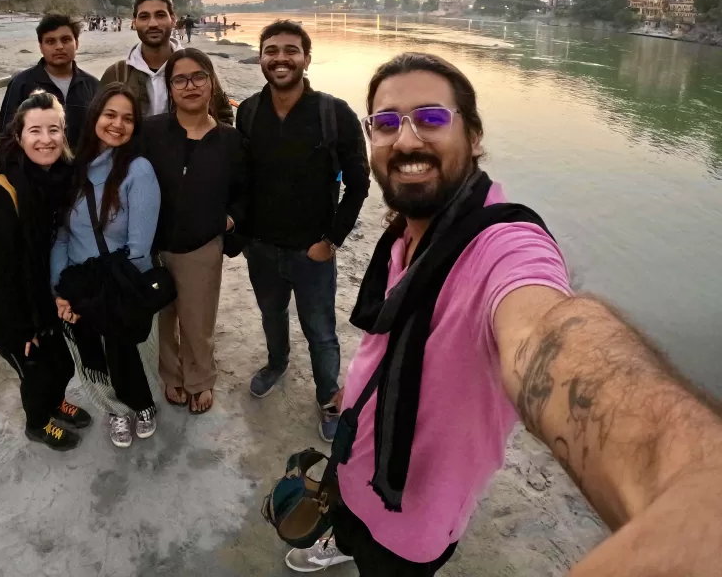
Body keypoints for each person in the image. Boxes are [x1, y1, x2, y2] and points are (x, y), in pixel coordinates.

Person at [284, 52, 722, 576]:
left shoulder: (503, 245)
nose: (405, 141)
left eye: (431, 118)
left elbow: (545, 332)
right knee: (351, 527)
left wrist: (688, 481)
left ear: (473, 136)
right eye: (386, 123)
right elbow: (396, 345)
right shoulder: (407, 232)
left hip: (410, 522)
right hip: (357, 463)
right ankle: (345, 538)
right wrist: (353, 393)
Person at [236, 19, 369, 441]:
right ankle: (277, 363)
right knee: (271, 315)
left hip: (312, 251)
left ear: (306, 59)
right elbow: (240, 178)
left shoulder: (334, 113)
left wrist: (332, 241)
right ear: (261, 58)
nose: (280, 58)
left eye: (290, 50)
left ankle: (329, 396)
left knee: (321, 331)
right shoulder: (249, 111)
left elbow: (360, 183)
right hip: (261, 248)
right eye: (271, 50)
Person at [0, 93, 92, 451]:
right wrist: (22, 331)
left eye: (54, 129)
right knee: (34, 366)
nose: (45, 139)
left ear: (64, 133)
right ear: (18, 136)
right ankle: (38, 423)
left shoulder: (59, 177)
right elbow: (1, 273)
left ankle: (55, 402)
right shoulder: (2, 191)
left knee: (61, 360)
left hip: (36, 289)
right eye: (35, 130)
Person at [50, 84, 161, 450]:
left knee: (130, 351)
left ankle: (143, 404)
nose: (118, 124)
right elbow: (63, 236)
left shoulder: (138, 170)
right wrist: (61, 289)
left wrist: (114, 292)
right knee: (89, 357)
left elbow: (140, 245)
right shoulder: (73, 170)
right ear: (95, 116)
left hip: (123, 282)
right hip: (81, 283)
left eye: (128, 119)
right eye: (110, 115)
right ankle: (113, 409)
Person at [142, 49, 245, 414]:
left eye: (198, 76)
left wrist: (229, 221)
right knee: (163, 315)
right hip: (153, 245)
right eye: (180, 79)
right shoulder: (151, 130)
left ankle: (200, 379)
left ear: (211, 82)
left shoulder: (230, 140)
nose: (190, 86)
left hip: (201, 247)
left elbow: (244, 193)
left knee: (198, 318)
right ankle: (172, 375)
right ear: (170, 88)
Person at [102, 0, 233, 123]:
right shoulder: (117, 74)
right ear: (134, 22)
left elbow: (222, 116)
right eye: (144, 17)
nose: (153, 23)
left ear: (173, 20)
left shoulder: (198, 68)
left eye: (160, 15)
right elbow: (98, 122)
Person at [0, 13, 99, 151]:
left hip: (82, 170)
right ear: (41, 47)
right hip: (35, 171)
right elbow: (5, 139)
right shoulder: (21, 84)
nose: (59, 47)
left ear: (76, 43)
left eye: (66, 39)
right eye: (51, 41)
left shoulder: (92, 86)